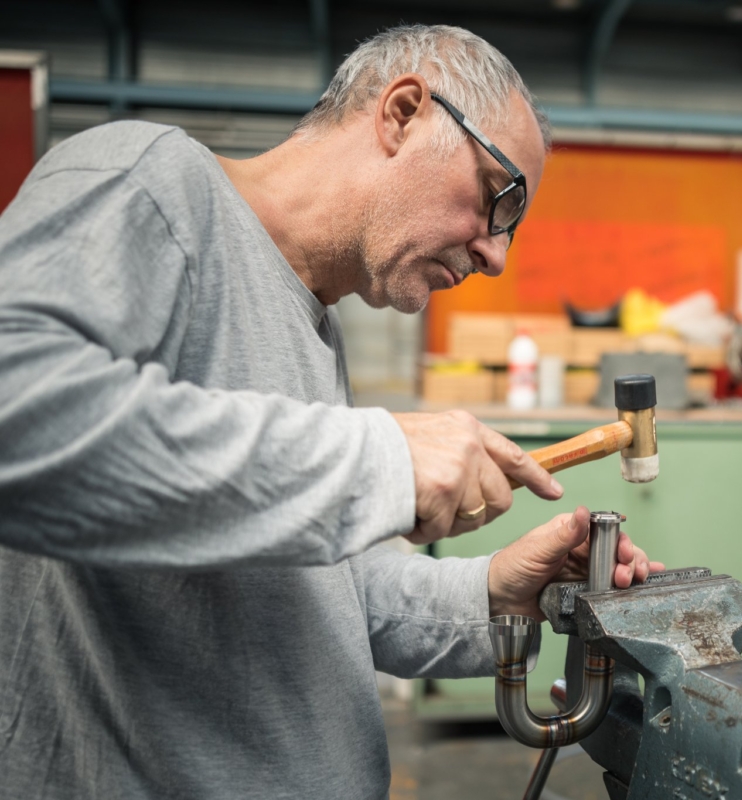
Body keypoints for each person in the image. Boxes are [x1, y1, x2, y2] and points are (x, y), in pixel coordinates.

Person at [0, 24, 661, 800]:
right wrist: (377, 459)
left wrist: (491, 591)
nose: (496, 255)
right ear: (404, 111)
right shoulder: (148, 179)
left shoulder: (314, 327)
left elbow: (327, 598)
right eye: (497, 196)